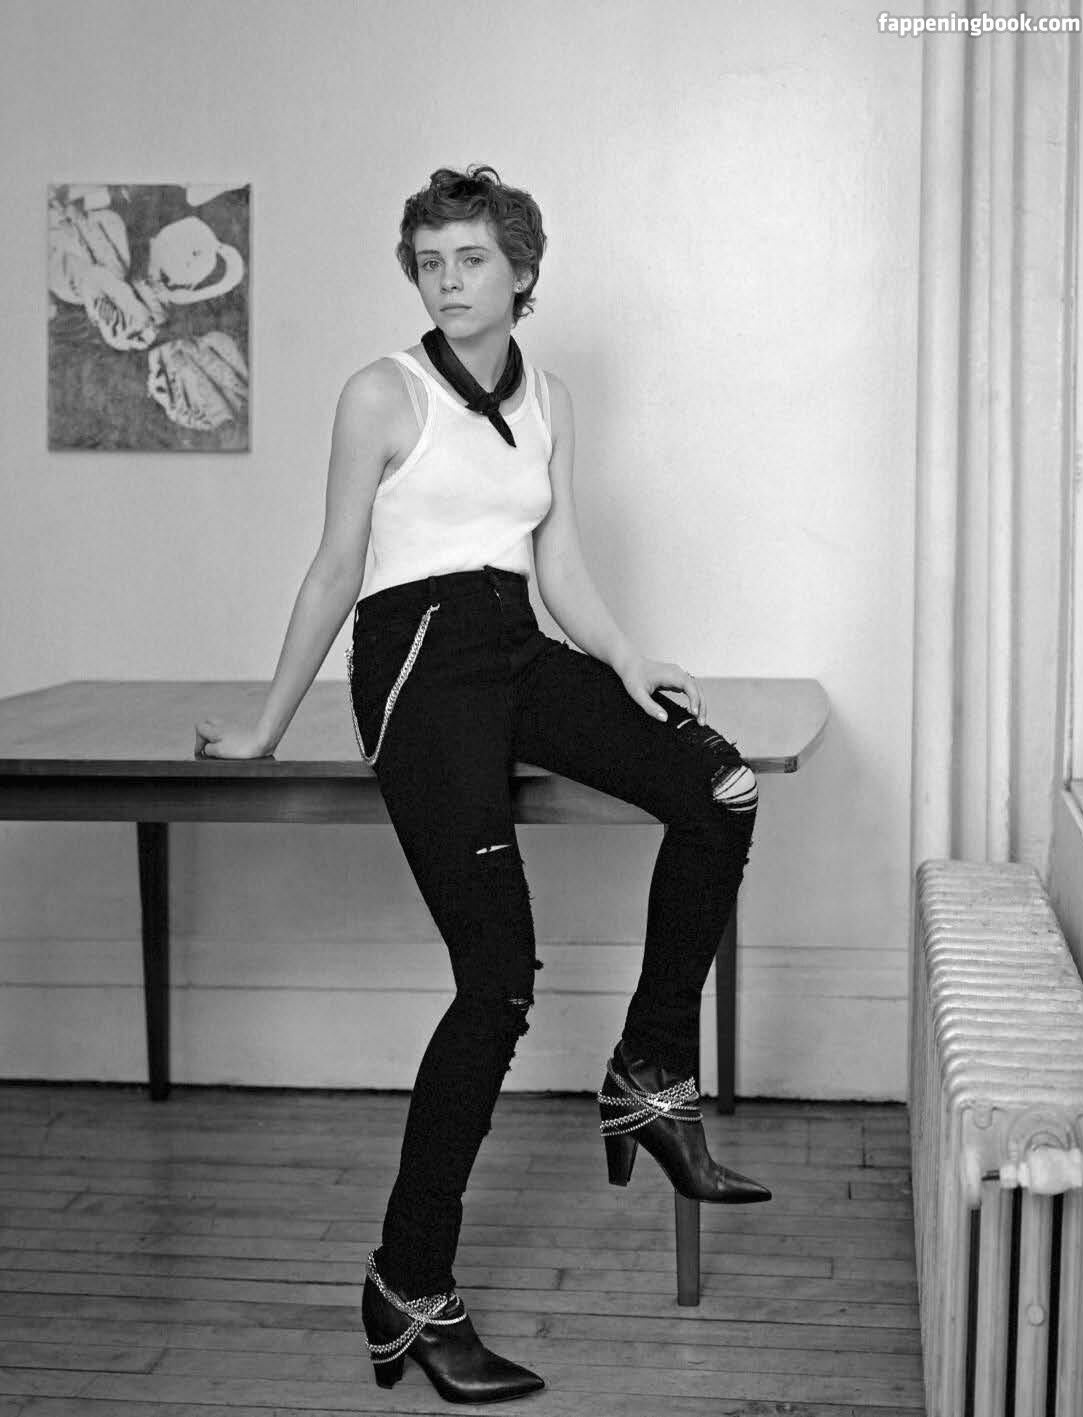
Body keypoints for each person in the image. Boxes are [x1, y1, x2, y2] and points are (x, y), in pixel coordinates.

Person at [194, 164, 769, 1404]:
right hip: (418, 661)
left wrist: (628, 660)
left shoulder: (547, 395)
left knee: (719, 789)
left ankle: (648, 1071)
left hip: (519, 642)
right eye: (429, 262)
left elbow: (557, 556)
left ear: (521, 270)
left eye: (469, 259)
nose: (447, 282)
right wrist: (266, 725)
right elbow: (335, 564)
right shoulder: (380, 393)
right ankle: (407, 1284)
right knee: (498, 979)